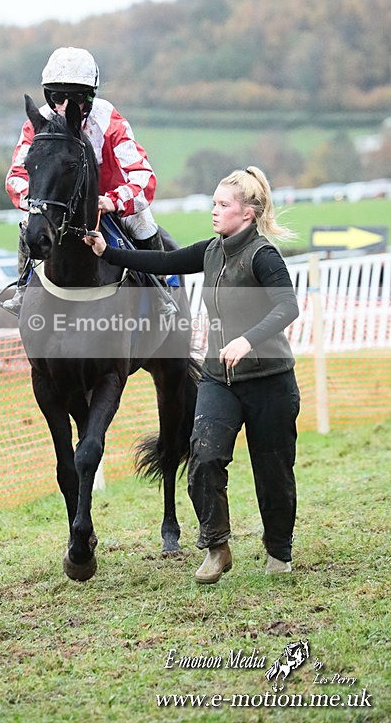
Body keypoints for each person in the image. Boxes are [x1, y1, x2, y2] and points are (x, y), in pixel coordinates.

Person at [84, 166, 300, 584]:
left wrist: (248, 340)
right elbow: (163, 260)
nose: (214, 211)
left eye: (223, 205)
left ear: (248, 214)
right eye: (214, 203)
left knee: (273, 470)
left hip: (270, 380)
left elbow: (287, 306)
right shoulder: (211, 250)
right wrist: (106, 251)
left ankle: (279, 551)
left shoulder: (263, 256)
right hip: (220, 379)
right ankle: (217, 548)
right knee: (203, 456)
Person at [3, 46, 164, 311]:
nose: (64, 105)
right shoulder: (39, 121)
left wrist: (113, 201)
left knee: (144, 223)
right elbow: (16, 176)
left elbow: (144, 178)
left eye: (74, 97)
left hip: (108, 200)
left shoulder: (108, 119)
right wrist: (39, 201)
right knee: (27, 224)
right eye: (56, 96)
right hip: (57, 203)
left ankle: (161, 293)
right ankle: (23, 290)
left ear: (89, 97)